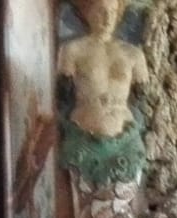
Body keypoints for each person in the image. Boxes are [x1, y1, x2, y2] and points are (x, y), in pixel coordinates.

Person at [56, 0, 148, 140]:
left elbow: (140, 98)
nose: (108, 18)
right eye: (101, 11)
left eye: (113, 12)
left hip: (125, 137)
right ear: (87, 13)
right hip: (84, 135)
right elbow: (63, 96)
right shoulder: (72, 50)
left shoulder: (134, 54)